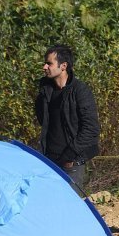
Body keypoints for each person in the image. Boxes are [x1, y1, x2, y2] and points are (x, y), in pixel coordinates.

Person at [35, 44, 100, 189]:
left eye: (49, 63)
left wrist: (69, 157)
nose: (45, 67)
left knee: (70, 208)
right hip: (49, 161)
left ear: (63, 66)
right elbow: (43, 122)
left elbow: (91, 129)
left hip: (71, 164)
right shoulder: (45, 92)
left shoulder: (80, 91)